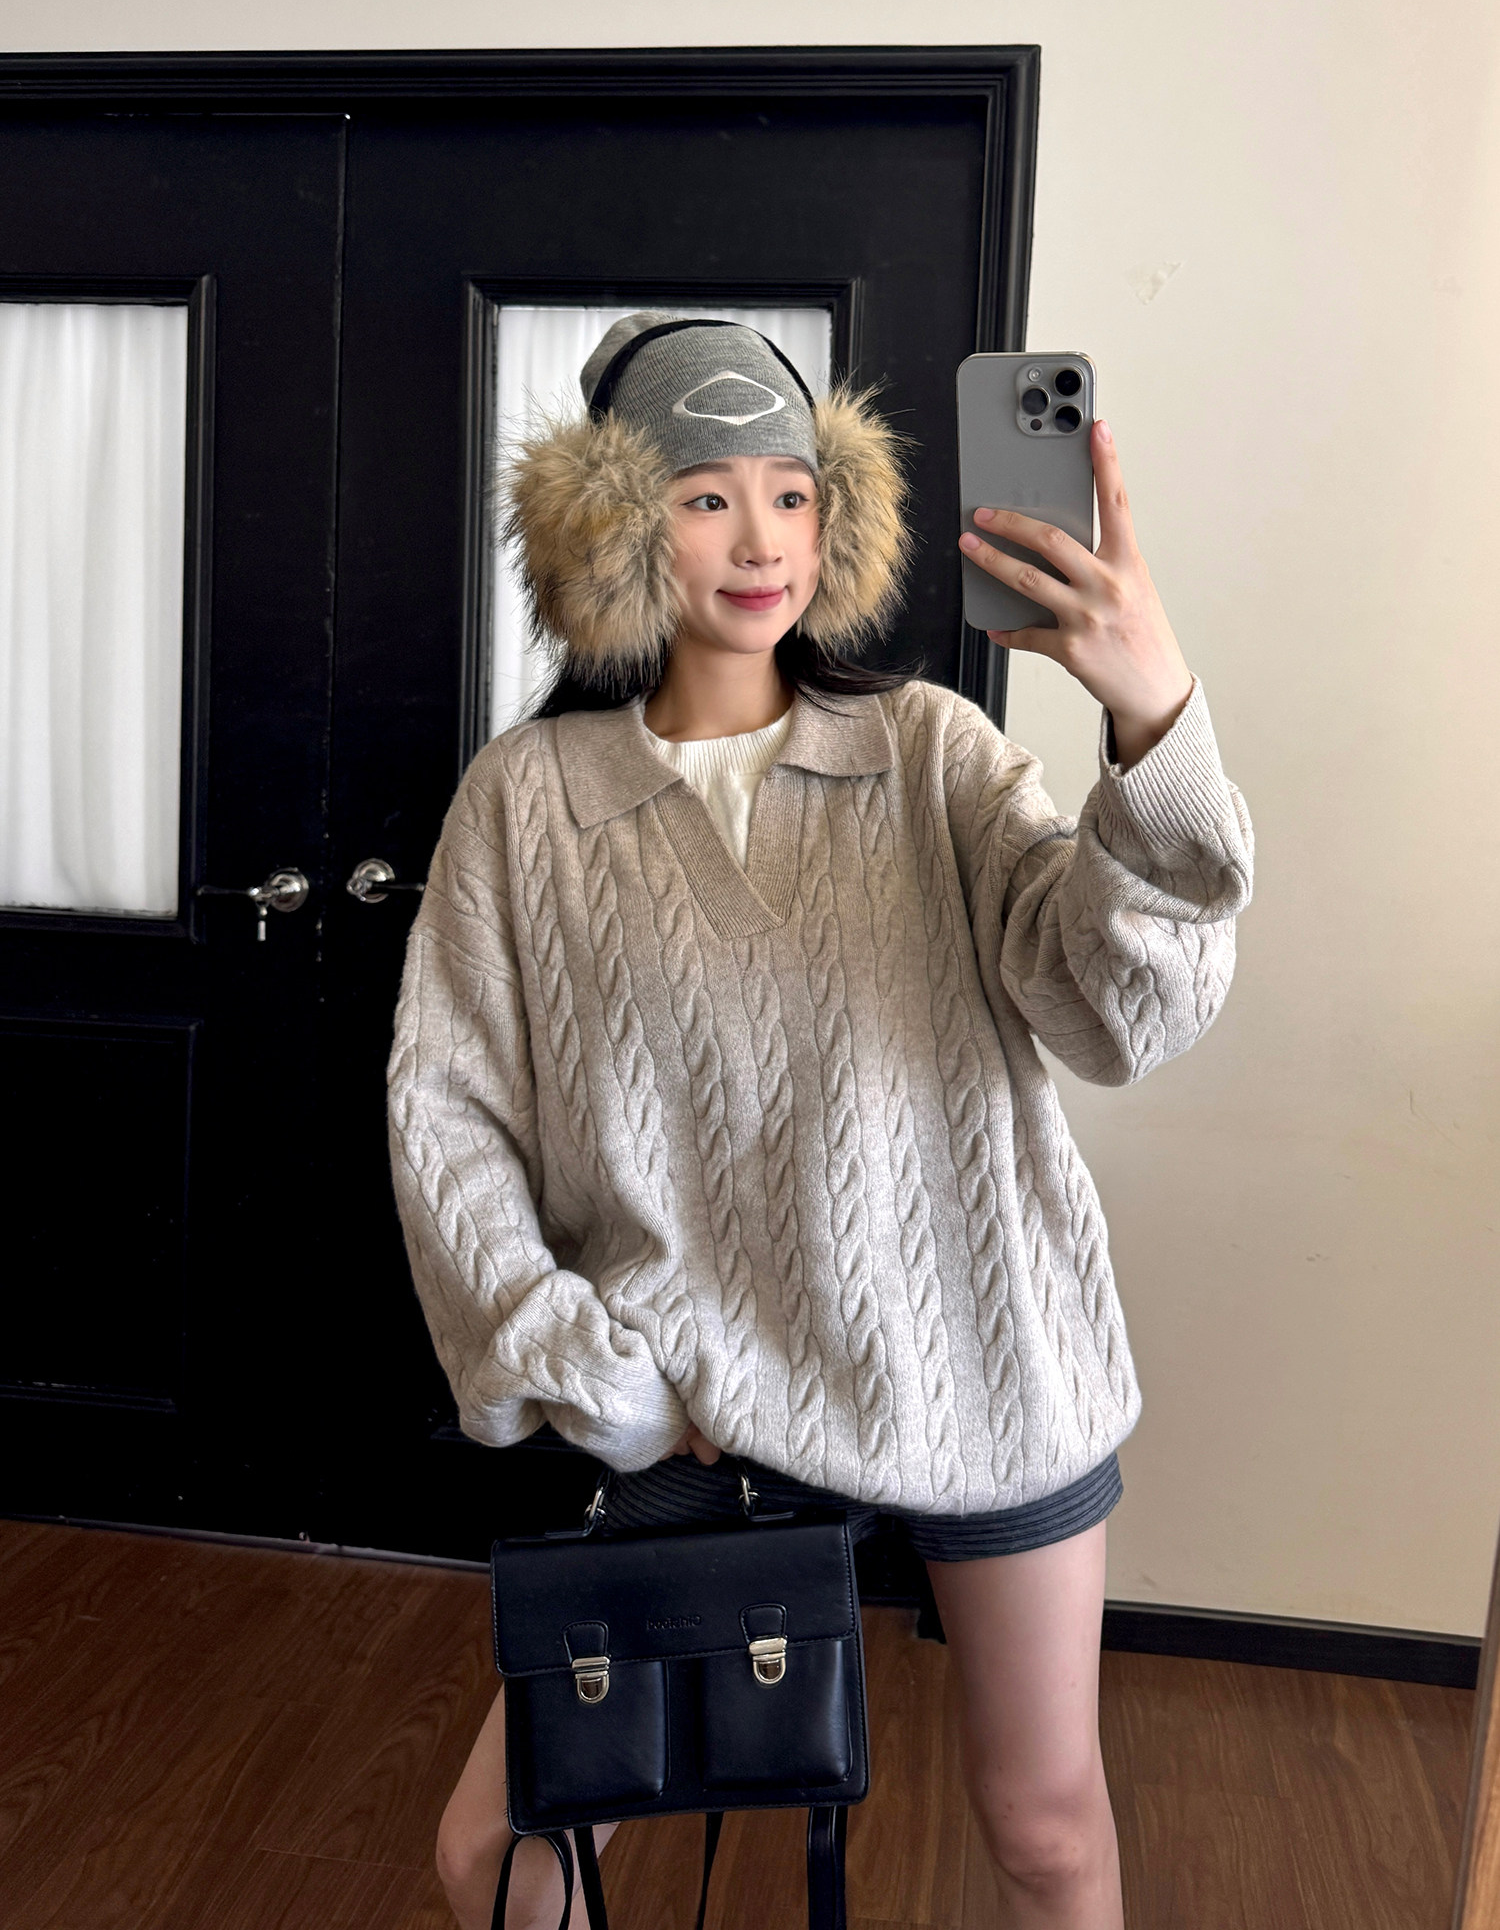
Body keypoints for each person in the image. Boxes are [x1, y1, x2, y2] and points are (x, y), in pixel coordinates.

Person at [386, 313, 1254, 1930]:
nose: (759, 540)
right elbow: (449, 1122)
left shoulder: (930, 752)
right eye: (704, 496)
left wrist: (1151, 722)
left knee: (1047, 1830)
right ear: (612, 524)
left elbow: (1121, 1014)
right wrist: (602, 1377)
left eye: (791, 494)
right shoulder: (528, 802)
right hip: (706, 1401)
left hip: (985, 1357)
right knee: (501, 1855)